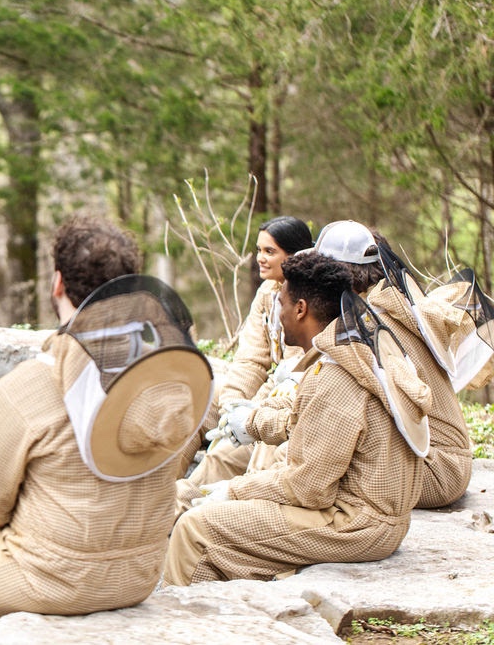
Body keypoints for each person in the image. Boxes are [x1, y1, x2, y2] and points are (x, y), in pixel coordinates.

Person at [0, 213, 212, 644]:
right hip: (141, 571)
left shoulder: (27, 388)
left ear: (58, 284)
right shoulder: (173, 377)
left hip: (52, 574)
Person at [162, 250, 427, 585]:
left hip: (356, 523)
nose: (278, 312)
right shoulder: (348, 349)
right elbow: (304, 418)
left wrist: (234, 491)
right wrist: (253, 421)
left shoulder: (336, 374)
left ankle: (189, 627)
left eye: (281, 303)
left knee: (196, 529)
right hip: (365, 512)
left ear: (300, 309)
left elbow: (307, 488)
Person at [213, 221, 473, 509]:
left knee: (297, 456)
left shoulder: (372, 327)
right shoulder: (380, 307)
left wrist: (256, 420)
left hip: (433, 467)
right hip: (436, 460)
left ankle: (242, 508)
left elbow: (323, 414)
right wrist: (254, 415)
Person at [176, 216, 313, 488]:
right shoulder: (267, 293)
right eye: (259, 250)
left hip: (281, 410)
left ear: (295, 255)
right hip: (255, 399)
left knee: (223, 454)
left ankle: (181, 506)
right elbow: (251, 359)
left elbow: (289, 378)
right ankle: (156, 490)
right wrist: (230, 404)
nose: (260, 258)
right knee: (192, 402)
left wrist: (244, 414)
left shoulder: (309, 299)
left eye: (270, 251)